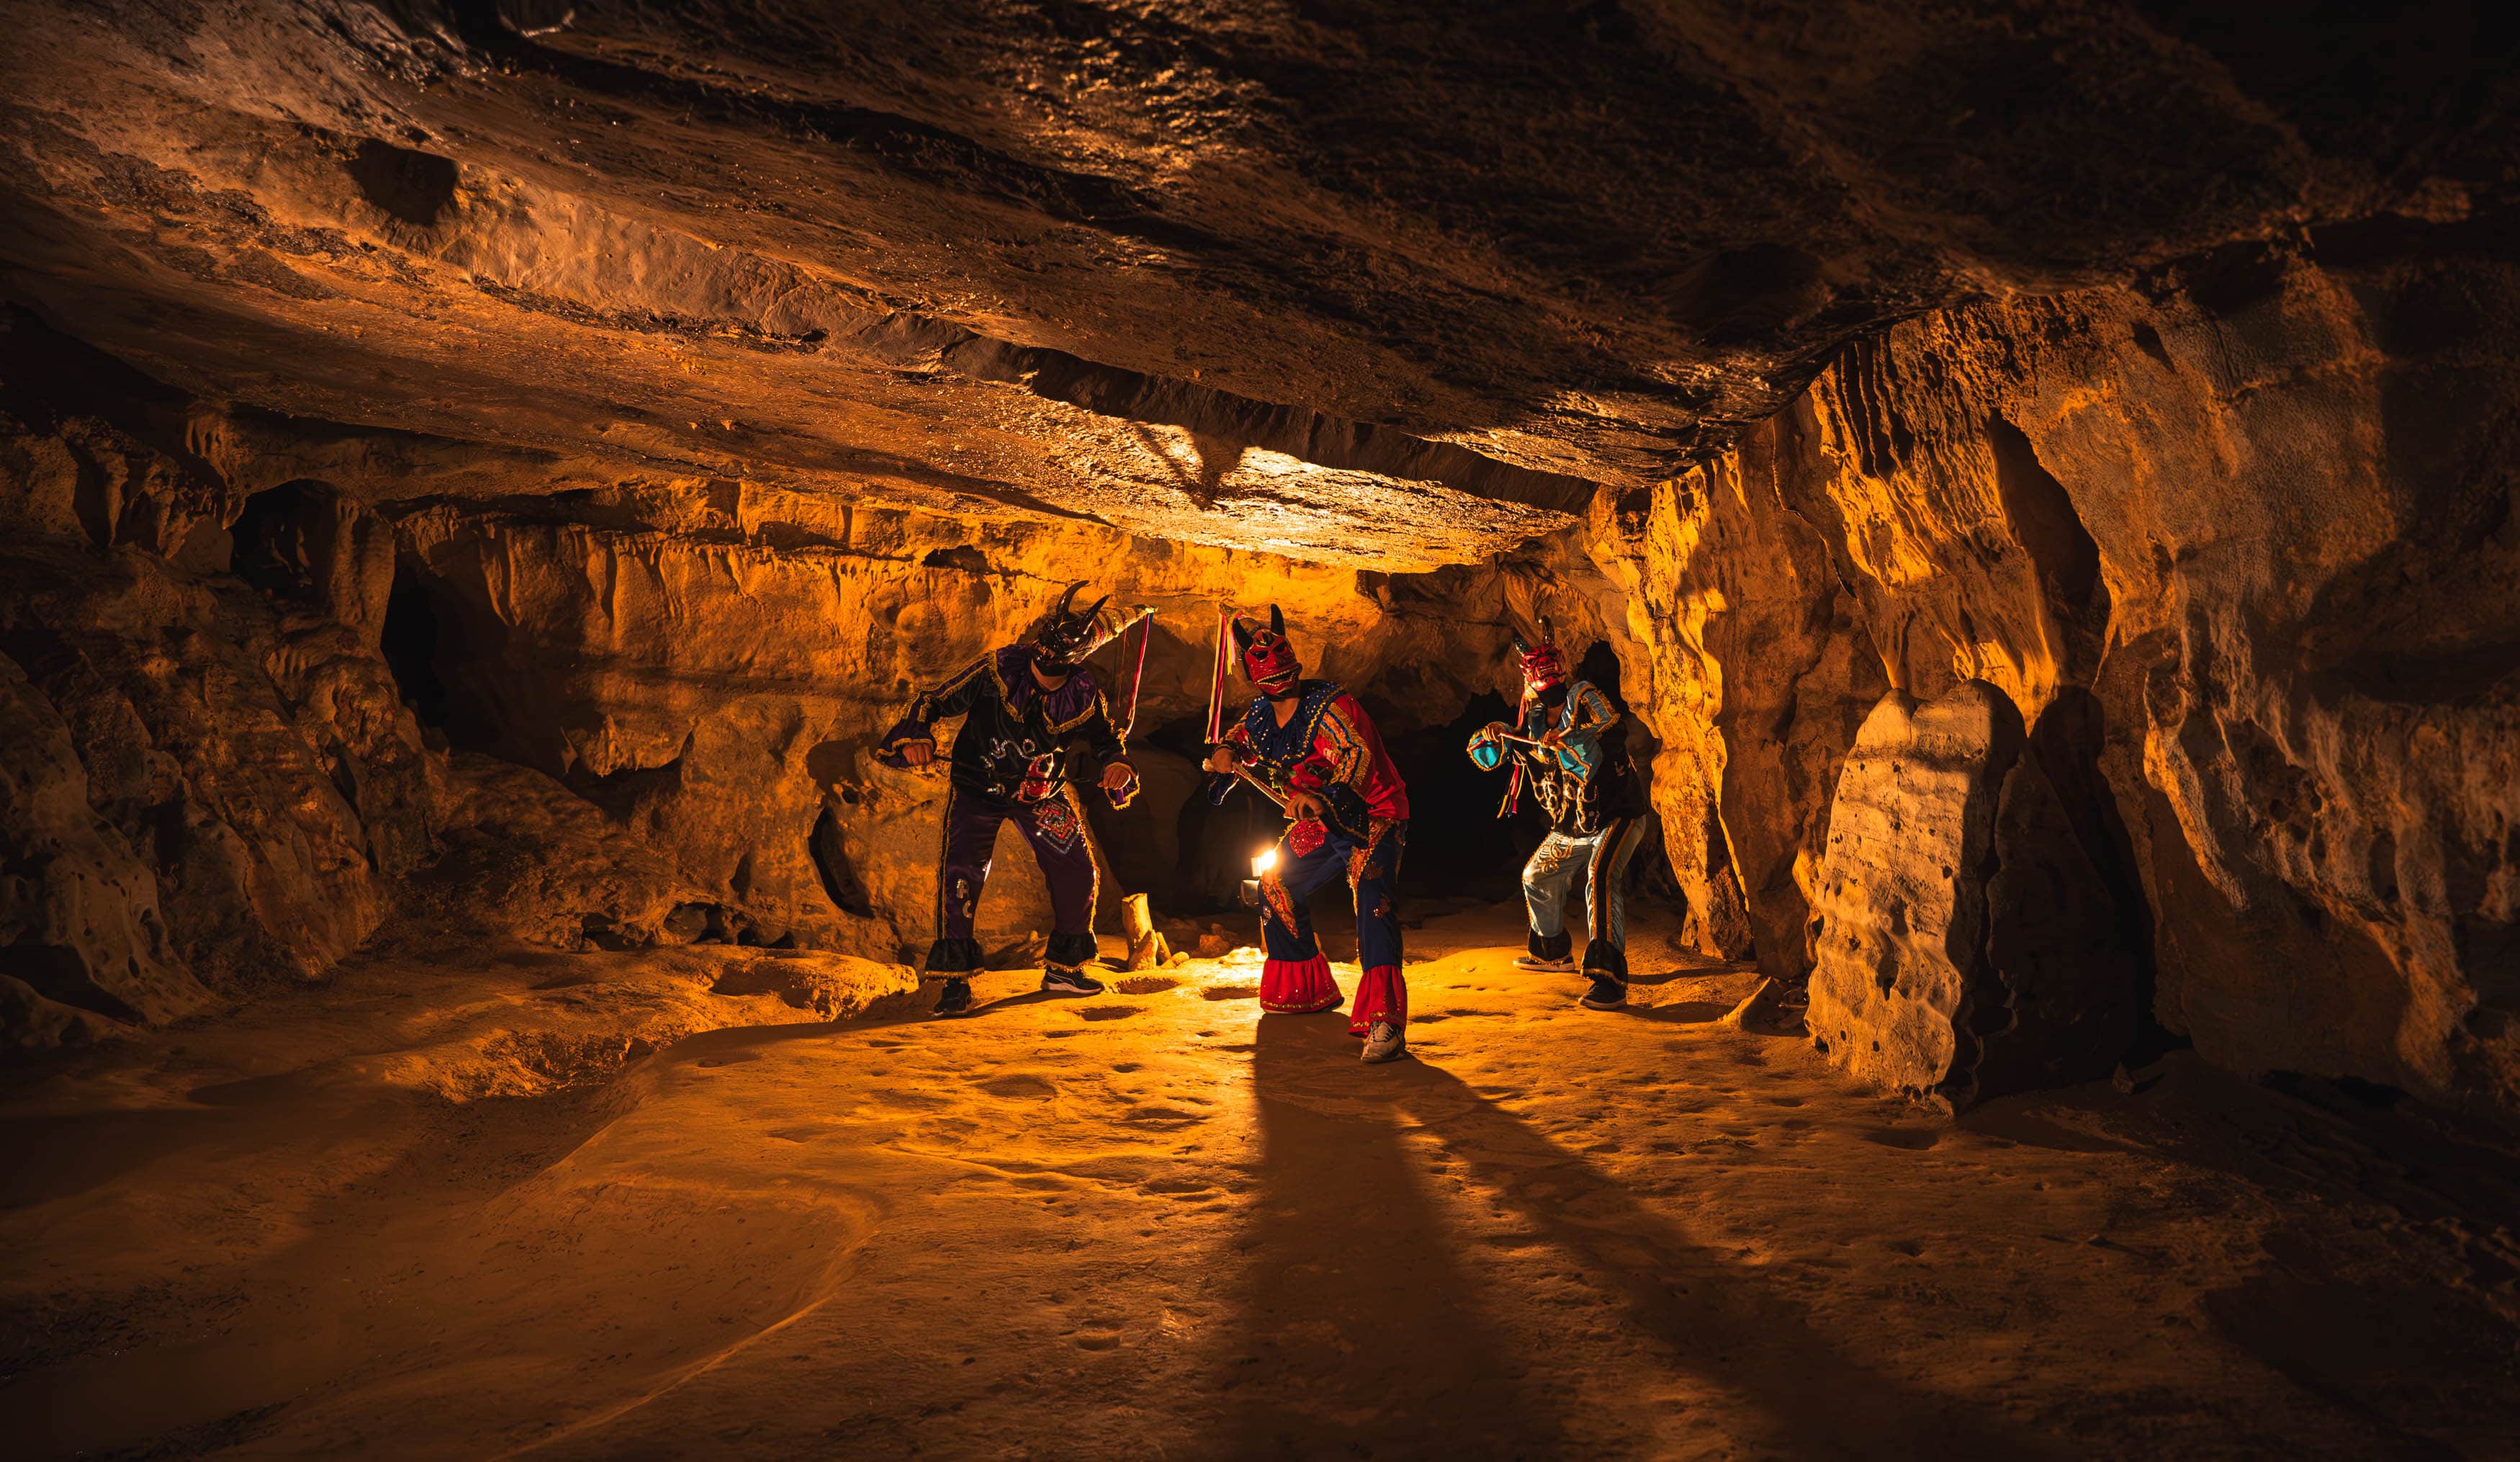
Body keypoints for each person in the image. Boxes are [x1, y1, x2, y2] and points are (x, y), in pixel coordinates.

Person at [881, 582, 1139, 1015]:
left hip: (1041, 795)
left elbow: (1107, 740)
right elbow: (932, 702)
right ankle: (955, 984)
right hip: (977, 790)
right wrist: (915, 736)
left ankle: (1065, 970)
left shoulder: (1083, 693)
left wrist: (1118, 764)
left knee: (1078, 870)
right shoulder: (997, 668)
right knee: (961, 876)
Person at [1204, 606, 1413, 1063]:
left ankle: (1384, 1021)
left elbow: (1355, 757)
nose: (1278, 676)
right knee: (1277, 884)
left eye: (1282, 663)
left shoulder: (1331, 706)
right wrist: (1225, 750)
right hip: (1318, 822)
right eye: (1268, 670)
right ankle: (1304, 990)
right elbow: (1241, 738)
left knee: (1373, 899)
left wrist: (1324, 798)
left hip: (1369, 814)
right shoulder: (1261, 713)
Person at [1467, 624, 1649, 1010]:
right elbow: (1487, 756)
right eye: (1537, 672)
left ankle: (1608, 979)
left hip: (1616, 816)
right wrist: (1494, 734)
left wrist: (1572, 741)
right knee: (1537, 875)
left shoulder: (1585, 698)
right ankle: (1551, 951)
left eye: (1550, 669)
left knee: (1601, 877)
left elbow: (1611, 734)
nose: (1545, 678)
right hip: (1570, 827)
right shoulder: (1531, 718)